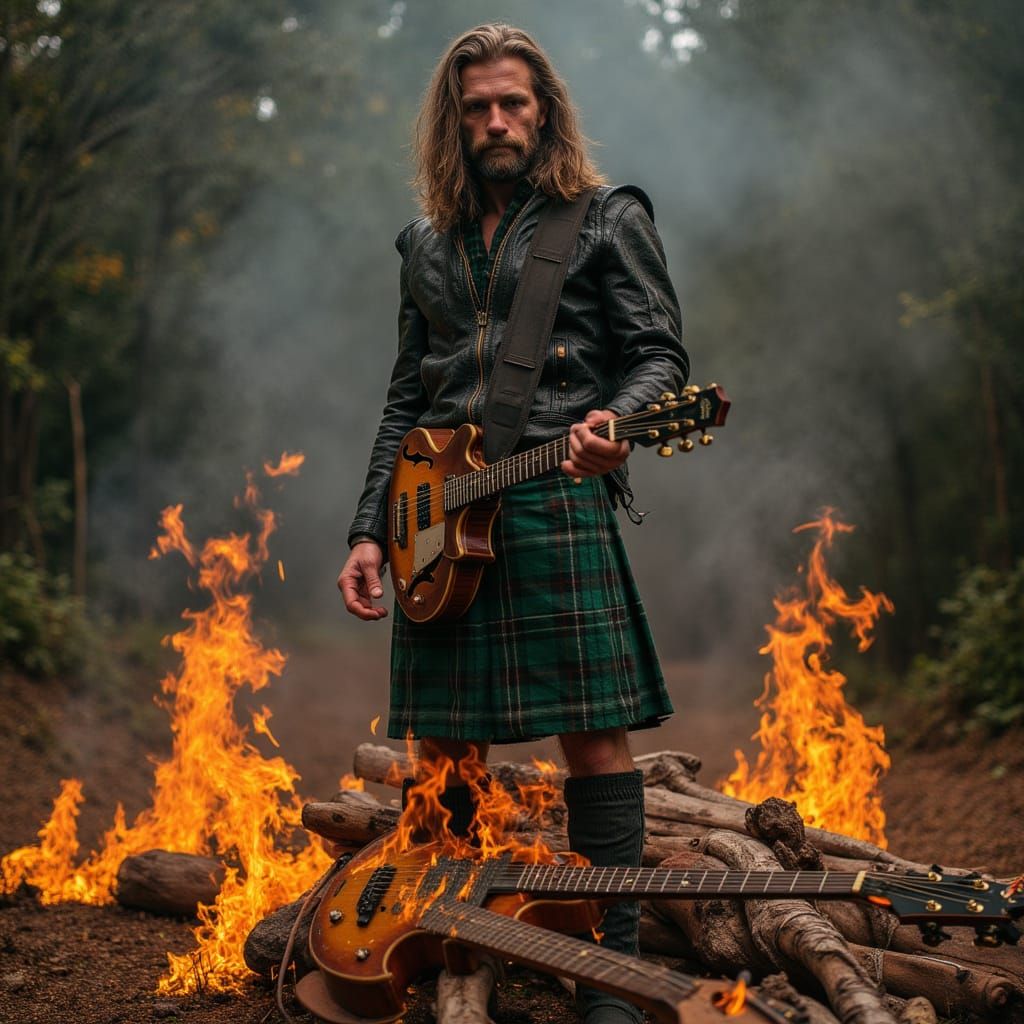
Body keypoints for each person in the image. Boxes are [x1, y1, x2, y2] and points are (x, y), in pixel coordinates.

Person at [338, 23, 688, 1024]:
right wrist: (371, 528)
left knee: (594, 743)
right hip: (433, 517)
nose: (496, 120)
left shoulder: (605, 218)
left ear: (543, 111)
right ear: (454, 121)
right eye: (477, 106)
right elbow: (405, 399)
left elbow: (661, 357)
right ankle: (449, 944)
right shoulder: (423, 244)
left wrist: (614, 425)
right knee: (443, 752)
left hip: (552, 495)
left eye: (513, 103)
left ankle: (612, 981)